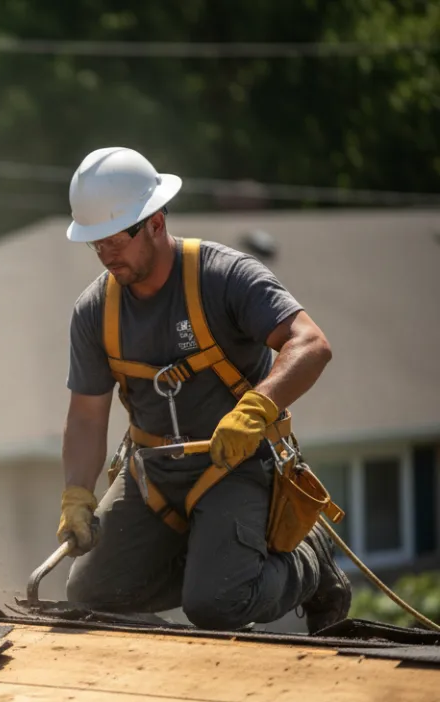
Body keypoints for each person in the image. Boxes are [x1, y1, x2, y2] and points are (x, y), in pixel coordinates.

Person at [55, 146, 351, 635]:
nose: (106, 255)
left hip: (234, 466)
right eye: (95, 244)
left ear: (154, 221)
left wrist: (257, 408)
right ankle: (211, 570)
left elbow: (311, 344)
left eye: (114, 240)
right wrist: (76, 493)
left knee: (216, 607)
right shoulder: (96, 312)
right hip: (152, 476)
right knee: (90, 595)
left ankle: (311, 562)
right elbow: (86, 416)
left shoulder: (224, 277)